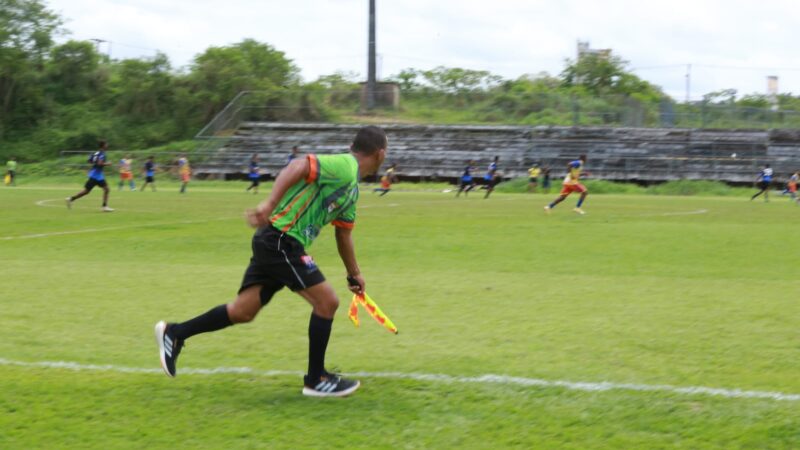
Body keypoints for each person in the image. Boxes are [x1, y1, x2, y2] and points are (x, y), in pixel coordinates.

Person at [154, 125, 388, 398]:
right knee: (327, 302)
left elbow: (343, 233)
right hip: (280, 239)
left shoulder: (352, 189)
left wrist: (354, 274)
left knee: (243, 311)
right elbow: (300, 165)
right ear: (380, 154)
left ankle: (175, 333)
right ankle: (316, 379)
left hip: (277, 242)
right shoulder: (345, 166)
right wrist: (269, 203)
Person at [66, 141, 114, 212]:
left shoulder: (95, 153)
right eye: (106, 144)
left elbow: (89, 161)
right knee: (106, 189)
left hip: (94, 174)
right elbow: (99, 163)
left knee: (87, 191)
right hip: (97, 176)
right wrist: (108, 164)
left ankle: (71, 199)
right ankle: (104, 207)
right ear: (103, 146)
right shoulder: (102, 154)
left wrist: (95, 164)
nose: (107, 145)